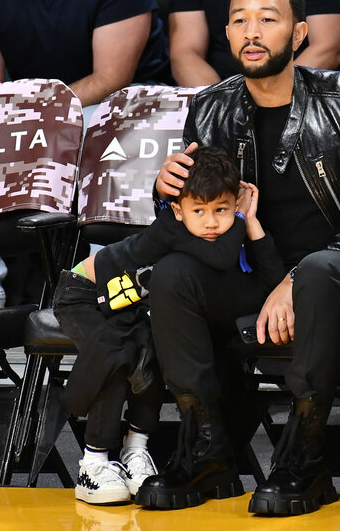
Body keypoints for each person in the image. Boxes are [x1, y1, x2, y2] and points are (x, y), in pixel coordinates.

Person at [134, 0, 340, 515]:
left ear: (300, 33)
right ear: (226, 34)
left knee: (321, 274)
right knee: (172, 277)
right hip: (250, 270)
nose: (251, 32)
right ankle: (207, 448)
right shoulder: (209, 107)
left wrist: (296, 276)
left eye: (267, 19)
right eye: (239, 21)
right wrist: (166, 196)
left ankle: (304, 458)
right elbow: (200, 217)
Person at [55, 146, 282, 505]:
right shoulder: (175, 229)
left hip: (127, 300)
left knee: (150, 351)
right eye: (200, 211)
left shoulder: (211, 231)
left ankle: (135, 452)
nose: (211, 222)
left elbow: (272, 280)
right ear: (178, 210)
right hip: (83, 292)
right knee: (116, 352)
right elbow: (223, 257)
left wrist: (252, 223)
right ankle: (93, 459)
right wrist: (238, 217)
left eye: (221, 209)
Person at [0, 0, 170, 310]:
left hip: (121, 108)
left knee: (98, 127)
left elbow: (110, 78)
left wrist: (40, 116)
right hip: (33, 108)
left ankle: (108, 280)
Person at [167, 0, 340, 87]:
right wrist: (221, 102)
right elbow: (185, 53)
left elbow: (328, 47)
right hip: (218, 85)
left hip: (304, 86)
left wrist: (268, 96)